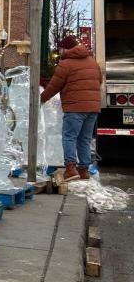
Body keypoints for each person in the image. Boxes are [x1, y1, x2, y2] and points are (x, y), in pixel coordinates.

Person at [41, 35, 102, 181]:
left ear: (66, 48)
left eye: (61, 48)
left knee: (69, 137)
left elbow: (55, 85)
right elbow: (98, 81)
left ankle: (70, 168)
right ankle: (84, 170)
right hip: (93, 107)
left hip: (75, 107)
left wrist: (41, 98)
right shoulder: (93, 62)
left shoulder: (66, 63)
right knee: (85, 139)